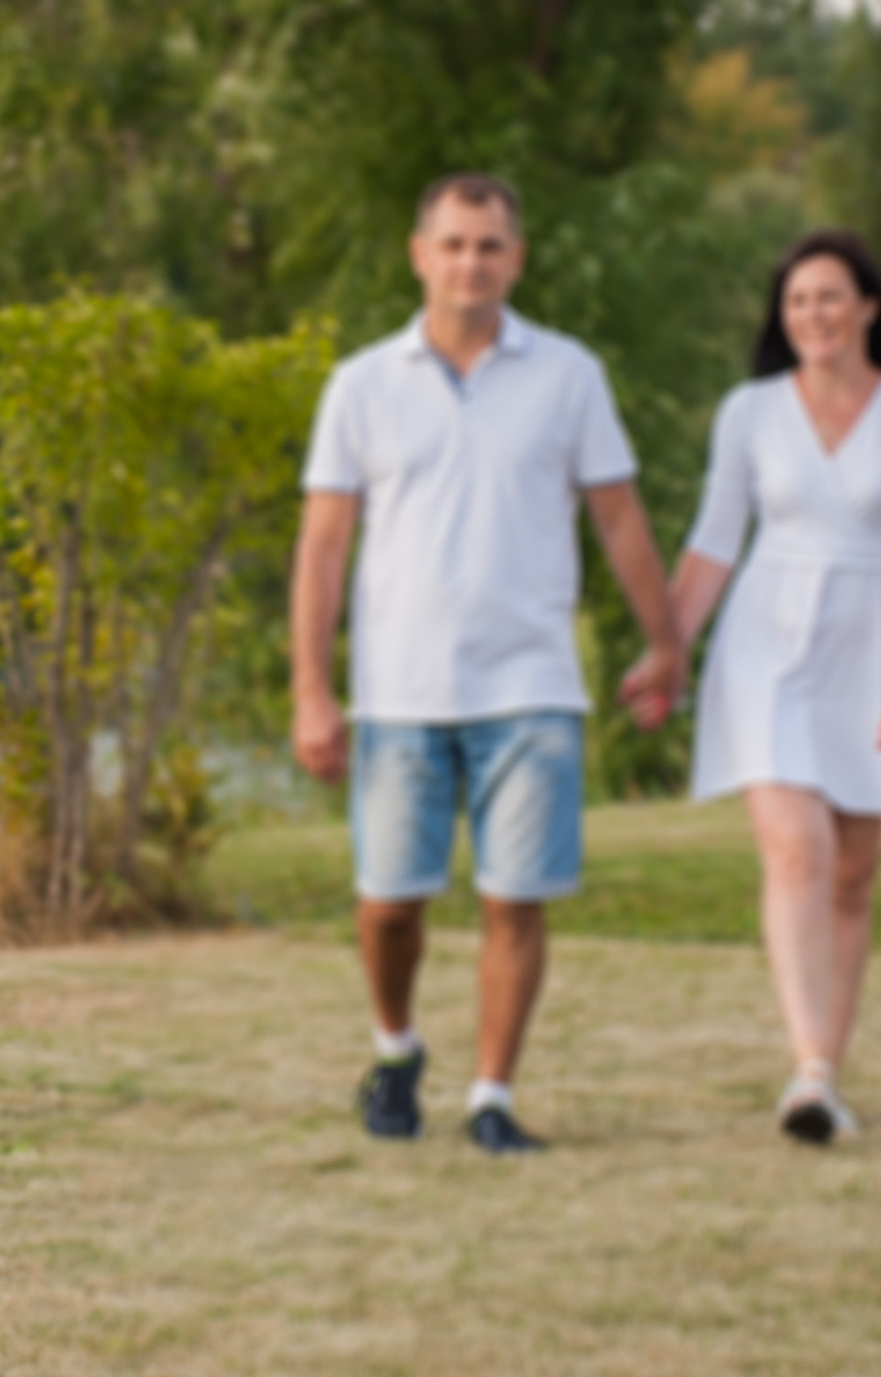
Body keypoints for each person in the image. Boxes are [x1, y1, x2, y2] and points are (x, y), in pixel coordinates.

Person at [289, 172, 683, 1154]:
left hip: (532, 685)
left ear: (517, 258)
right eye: (455, 243)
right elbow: (324, 547)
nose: (472, 261)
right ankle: (396, 1049)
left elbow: (619, 517)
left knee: (516, 899)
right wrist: (311, 689)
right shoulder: (362, 385)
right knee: (389, 905)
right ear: (420, 255)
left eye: (491, 244)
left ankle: (490, 1098)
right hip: (399, 691)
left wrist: (667, 639)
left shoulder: (569, 375)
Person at [656, 229, 881, 1145]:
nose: (812, 315)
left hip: (872, 647)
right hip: (767, 645)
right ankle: (811, 1074)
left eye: (829, 296)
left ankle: (826, 1070)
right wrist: (667, 649)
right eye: (796, 301)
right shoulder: (748, 412)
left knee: (853, 877)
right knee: (796, 850)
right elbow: (715, 541)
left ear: (868, 307)